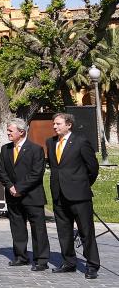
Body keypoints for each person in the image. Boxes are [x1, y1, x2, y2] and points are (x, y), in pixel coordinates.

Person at [46, 112, 100, 279]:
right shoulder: (50, 142)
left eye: (58, 124)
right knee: (64, 231)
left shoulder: (81, 141)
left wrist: (82, 185)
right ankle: (68, 262)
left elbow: (93, 168)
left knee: (86, 231)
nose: (55, 126)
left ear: (69, 125)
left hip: (79, 195)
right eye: (54, 124)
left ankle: (92, 265)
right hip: (59, 195)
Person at [0, 118, 50, 271]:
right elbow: (2, 171)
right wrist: (10, 187)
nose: (8, 133)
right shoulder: (5, 149)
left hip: (32, 196)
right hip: (12, 196)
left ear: (21, 132)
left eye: (10, 131)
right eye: (7, 130)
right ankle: (21, 256)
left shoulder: (36, 149)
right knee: (17, 227)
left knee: (38, 229)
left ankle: (41, 259)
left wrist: (19, 188)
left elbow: (36, 173)